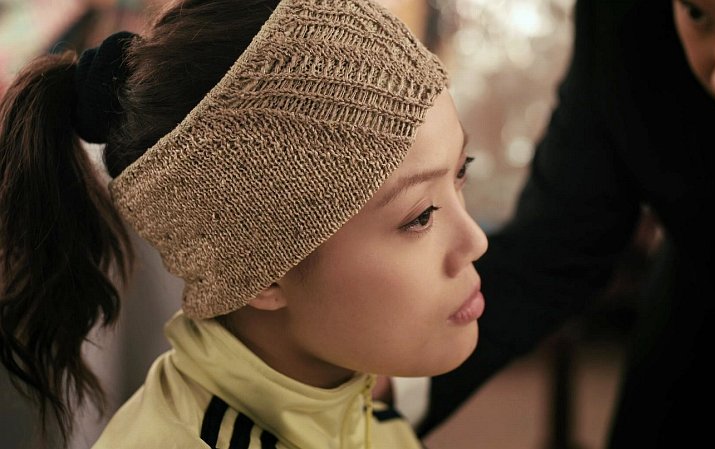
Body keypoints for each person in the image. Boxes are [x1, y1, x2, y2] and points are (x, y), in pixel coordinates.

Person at [0, 0, 488, 448]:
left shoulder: (367, 417)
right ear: (265, 272)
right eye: (421, 216)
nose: (476, 241)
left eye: (460, 172)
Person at [417, 0, 715, 447]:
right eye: (697, 16)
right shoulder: (624, 16)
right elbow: (553, 246)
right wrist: (386, 383)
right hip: (707, 370)